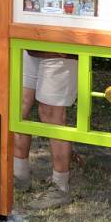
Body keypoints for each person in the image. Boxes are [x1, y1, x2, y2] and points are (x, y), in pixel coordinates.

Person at [14, 50, 78, 210]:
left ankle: (60, 187)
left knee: (52, 115)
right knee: (16, 108)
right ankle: (18, 176)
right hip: (28, 44)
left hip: (60, 48)